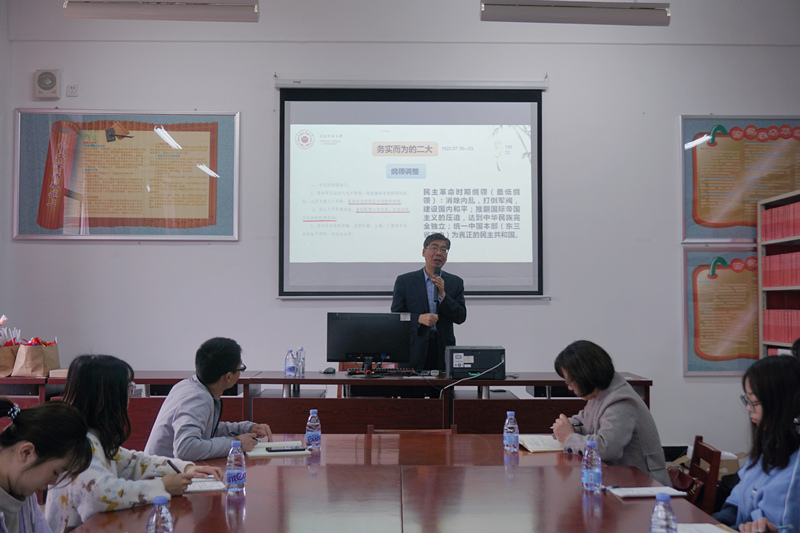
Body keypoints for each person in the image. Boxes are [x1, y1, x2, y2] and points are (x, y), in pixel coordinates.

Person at [45, 355, 222, 532]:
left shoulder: (94, 436)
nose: (130, 396)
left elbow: (134, 462)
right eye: (128, 389)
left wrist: (186, 468)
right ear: (109, 396)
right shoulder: (80, 443)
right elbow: (99, 496)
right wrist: (162, 487)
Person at [551, 340, 670, 486]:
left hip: (644, 484)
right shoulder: (599, 392)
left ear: (585, 377)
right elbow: (584, 421)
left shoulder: (620, 401)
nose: (569, 387)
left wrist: (569, 437)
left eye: (570, 382)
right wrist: (563, 427)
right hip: (620, 478)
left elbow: (606, 448)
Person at [145, 337, 272, 461]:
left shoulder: (188, 385)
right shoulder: (197, 399)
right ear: (228, 377)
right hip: (161, 472)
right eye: (240, 369)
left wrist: (245, 428)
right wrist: (235, 443)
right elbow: (186, 449)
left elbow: (206, 429)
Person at [712, 355, 800, 533]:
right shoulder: (769, 444)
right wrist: (718, 521)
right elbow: (740, 494)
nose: (748, 408)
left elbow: (782, 525)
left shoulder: (795, 466)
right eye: (747, 400)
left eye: (755, 402)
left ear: (779, 404)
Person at [0, 398, 91, 533]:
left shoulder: (22, 486)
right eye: (55, 472)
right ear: (26, 452)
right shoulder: (22, 481)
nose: (53, 482)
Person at [391, 233, 467, 372]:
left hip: (443, 349)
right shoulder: (405, 281)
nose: (439, 253)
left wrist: (443, 295)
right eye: (434, 248)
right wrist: (418, 318)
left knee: (443, 386)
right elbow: (397, 316)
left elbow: (460, 316)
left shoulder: (455, 282)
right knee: (411, 387)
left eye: (443, 250)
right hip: (414, 349)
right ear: (424, 252)